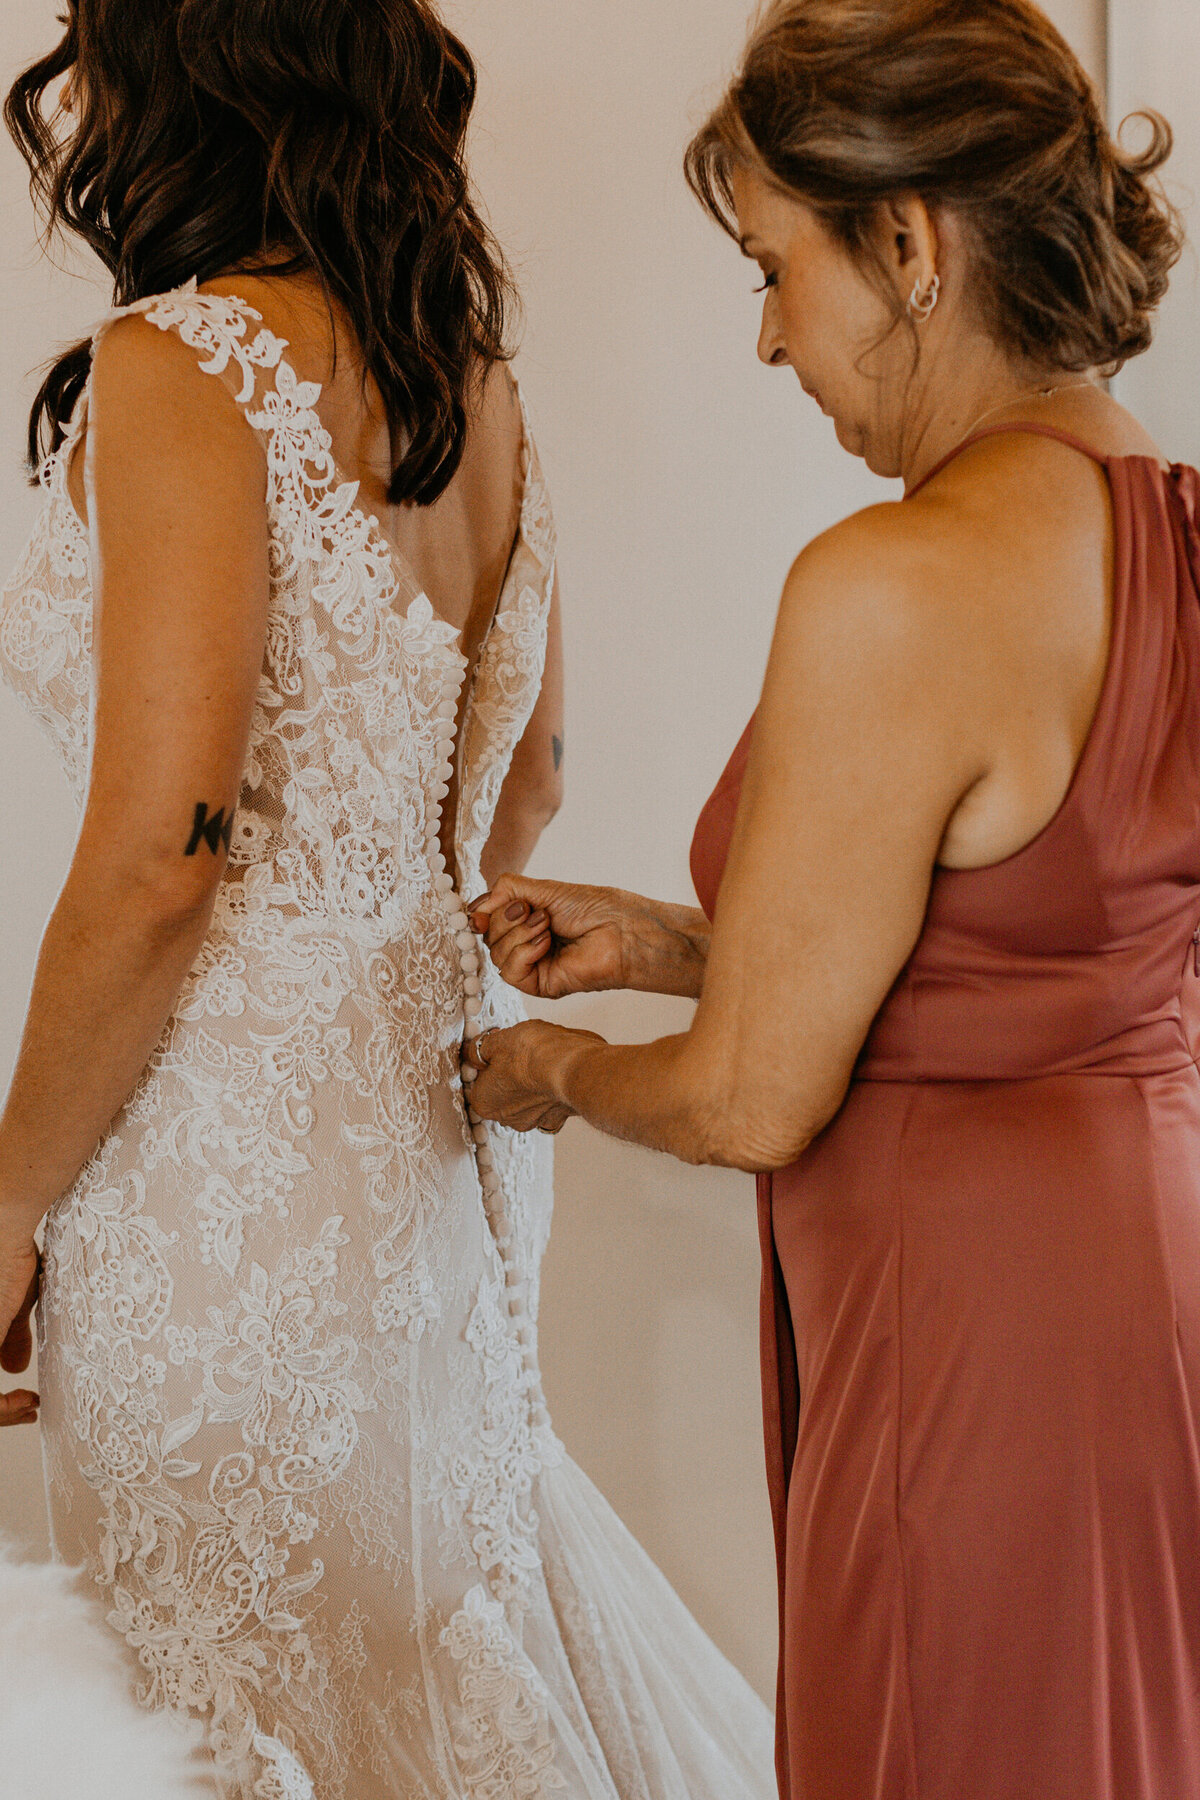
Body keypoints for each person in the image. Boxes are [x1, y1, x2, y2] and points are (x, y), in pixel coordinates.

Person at [0, 3, 775, 1795]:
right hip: (437, 1101)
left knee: (236, 1679)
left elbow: (161, 854)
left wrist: (12, 1201)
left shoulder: (183, 361)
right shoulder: (467, 375)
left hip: (220, 1150)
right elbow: (533, 780)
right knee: (422, 1606)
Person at [465, 2, 1200, 1796]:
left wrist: (546, 1070)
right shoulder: (1172, 527)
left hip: (973, 1345)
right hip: (1141, 1295)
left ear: (910, 246)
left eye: (775, 269)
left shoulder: (901, 581)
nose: (775, 338)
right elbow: (1024, 959)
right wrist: (686, 945)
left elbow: (752, 1097)